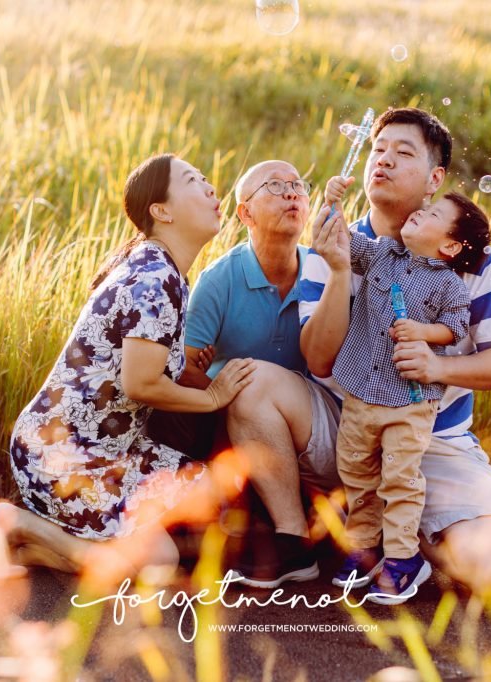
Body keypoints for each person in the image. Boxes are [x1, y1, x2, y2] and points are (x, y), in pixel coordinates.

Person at [0, 154, 256, 583]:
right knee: (159, 561)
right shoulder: (155, 277)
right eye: (194, 180)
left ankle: (20, 552)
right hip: (64, 454)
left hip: (111, 452)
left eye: (208, 180)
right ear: (162, 211)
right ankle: (17, 523)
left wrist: (186, 366)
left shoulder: (161, 269)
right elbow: (139, 384)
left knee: (216, 511)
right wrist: (213, 397)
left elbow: (132, 366)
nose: (212, 189)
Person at [300, 107, 491, 595]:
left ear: (434, 179)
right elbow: (317, 361)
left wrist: (437, 364)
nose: (383, 160)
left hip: (436, 441)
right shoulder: (337, 240)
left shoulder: (470, 258)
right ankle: (330, 528)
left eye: (403, 153)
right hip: (350, 428)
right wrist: (339, 271)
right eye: (378, 150)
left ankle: (405, 535)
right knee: (258, 385)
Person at [149, 159, 343, 589]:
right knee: (187, 409)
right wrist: (221, 391)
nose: (292, 193)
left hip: (307, 428)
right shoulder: (218, 281)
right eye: (274, 186)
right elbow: (185, 370)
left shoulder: (323, 271)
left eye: (298, 185)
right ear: (245, 213)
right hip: (237, 426)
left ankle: (293, 521)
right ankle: (224, 520)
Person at [313, 176, 491, 603]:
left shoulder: (448, 283)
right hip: (362, 390)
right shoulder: (382, 255)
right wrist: (331, 202)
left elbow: (454, 327)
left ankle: (403, 556)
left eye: (432, 215)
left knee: (399, 478)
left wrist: (423, 331)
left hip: (410, 402)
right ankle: (363, 546)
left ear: (448, 247)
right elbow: (341, 243)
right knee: (356, 472)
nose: (420, 212)